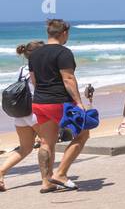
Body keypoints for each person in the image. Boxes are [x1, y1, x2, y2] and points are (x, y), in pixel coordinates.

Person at [27, 19, 89, 192]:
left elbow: (34, 80)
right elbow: (68, 79)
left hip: (39, 102)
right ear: (63, 33)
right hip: (59, 102)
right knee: (83, 135)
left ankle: (46, 182)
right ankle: (61, 173)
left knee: (46, 142)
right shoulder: (64, 53)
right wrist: (78, 102)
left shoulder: (35, 55)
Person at [0, 41, 44, 193]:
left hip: (21, 114)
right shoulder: (39, 68)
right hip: (35, 112)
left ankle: (1, 172)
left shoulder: (21, 69)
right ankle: (49, 177)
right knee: (46, 143)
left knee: (25, 148)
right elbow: (39, 88)